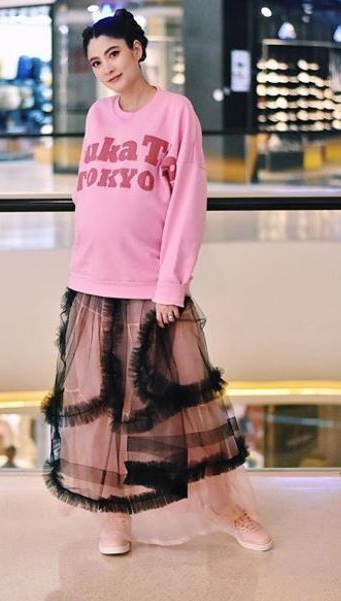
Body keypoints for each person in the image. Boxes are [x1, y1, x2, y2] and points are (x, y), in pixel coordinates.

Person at [41, 8, 273, 556]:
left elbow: (188, 200)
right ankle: (114, 512)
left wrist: (171, 283)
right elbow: (88, 185)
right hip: (93, 280)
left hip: (151, 286)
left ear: (138, 49)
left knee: (184, 406)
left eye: (113, 53)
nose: (106, 67)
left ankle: (228, 510)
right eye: (96, 61)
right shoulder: (98, 115)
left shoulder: (175, 112)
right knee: (103, 407)